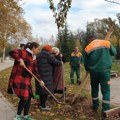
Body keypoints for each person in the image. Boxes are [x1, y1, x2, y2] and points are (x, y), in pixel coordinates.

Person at [7, 42, 44, 120]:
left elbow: (35, 70)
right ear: (33, 48)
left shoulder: (34, 58)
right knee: (24, 97)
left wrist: (40, 80)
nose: (38, 50)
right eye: (38, 49)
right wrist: (20, 59)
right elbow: (12, 52)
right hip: (19, 79)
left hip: (27, 80)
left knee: (29, 97)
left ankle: (26, 116)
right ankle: (17, 116)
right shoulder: (23, 52)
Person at [84, 36, 117, 112]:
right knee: (106, 91)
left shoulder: (88, 47)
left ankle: (95, 106)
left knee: (94, 89)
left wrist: (87, 69)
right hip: (105, 71)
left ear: (90, 40)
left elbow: (85, 62)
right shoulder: (106, 43)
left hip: (93, 72)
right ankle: (105, 110)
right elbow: (114, 52)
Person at [35, 44, 62, 111]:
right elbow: (54, 62)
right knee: (45, 91)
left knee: (42, 90)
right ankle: (43, 106)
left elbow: (49, 59)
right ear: (48, 50)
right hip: (46, 75)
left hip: (39, 75)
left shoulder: (39, 54)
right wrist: (60, 62)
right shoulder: (47, 55)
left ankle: (41, 104)